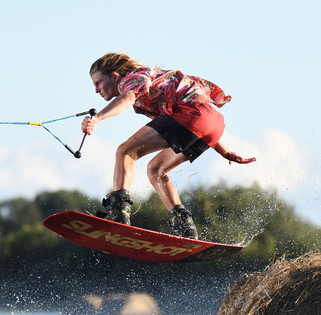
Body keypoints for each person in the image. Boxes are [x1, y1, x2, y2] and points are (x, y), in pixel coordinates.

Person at [80, 53, 256, 238]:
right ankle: (184, 228)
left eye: (98, 83)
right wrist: (225, 152)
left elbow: (128, 98)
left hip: (191, 114)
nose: (96, 90)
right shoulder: (149, 90)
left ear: (115, 76)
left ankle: (118, 214)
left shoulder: (133, 78)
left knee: (125, 151)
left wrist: (98, 118)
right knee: (156, 170)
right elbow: (203, 123)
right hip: (213, 123)